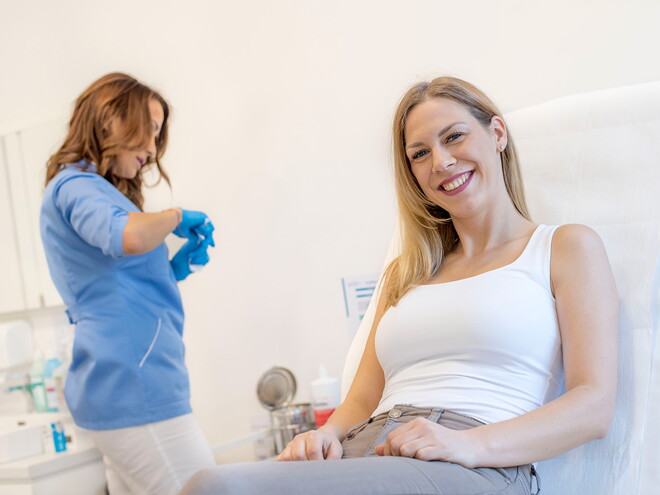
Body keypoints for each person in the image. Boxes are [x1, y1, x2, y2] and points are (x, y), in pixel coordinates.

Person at [181, 76, 618, 495]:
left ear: (497, 133)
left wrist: (467, 444)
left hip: (477, 465)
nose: (441, 162)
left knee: (214, 488)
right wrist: (326, 434)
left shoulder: (563, 248)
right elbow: (362, 400)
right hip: (370, 450)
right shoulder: (405, 272)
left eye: (454, 137)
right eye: (419, 154)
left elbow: (593, 405)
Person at [40, 73, 217, 494]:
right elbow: (130, 236)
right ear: (111, 120)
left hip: (128, 385)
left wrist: (172, 270)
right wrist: (174, 217)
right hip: (136, 389)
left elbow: (113, 280)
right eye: (149, 132)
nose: (153, 152)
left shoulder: (92, 189)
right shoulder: (76, 185)